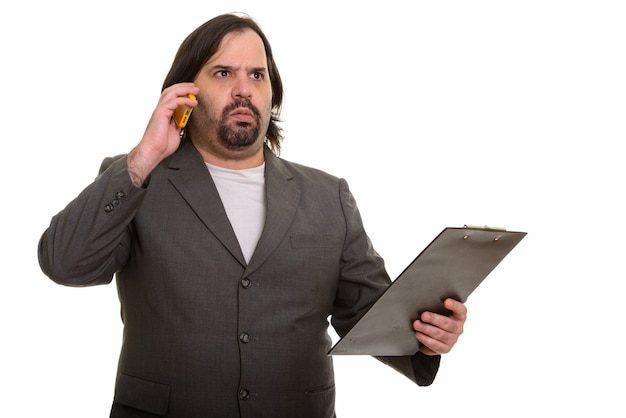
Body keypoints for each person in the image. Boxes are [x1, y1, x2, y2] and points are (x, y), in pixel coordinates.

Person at [38, 13, 467, 418]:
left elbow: (370, 315)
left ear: (271, 92)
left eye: (256, 75)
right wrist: (143, 157)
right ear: (186, 91)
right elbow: (65, 263)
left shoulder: (327, 195)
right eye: (224, 73)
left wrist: (428, 335)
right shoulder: (139, 179)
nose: (244, 88)